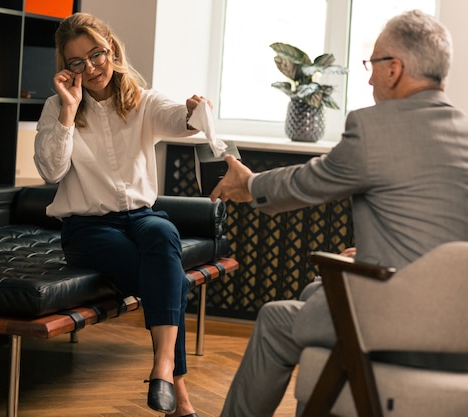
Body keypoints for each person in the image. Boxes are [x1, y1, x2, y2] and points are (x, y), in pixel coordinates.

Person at [209, 9, 468, 417]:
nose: (368, 78)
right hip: (460, 331)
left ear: (395, 69)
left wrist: (249, 183)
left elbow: (308, 182)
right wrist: (369, 257)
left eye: (373, 64)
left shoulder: (375, 128)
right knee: (319, 297)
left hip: (396, 325)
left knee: (278, 318)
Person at [34, 12, 208, 417]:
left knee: (163, 233)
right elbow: (51, 171)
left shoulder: (142, 101)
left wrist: (194, 109)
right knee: (173, 285)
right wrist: (67, 110)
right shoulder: (56, 108)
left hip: (141, 217)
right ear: (66, 68)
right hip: (87, 229)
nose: (90, 68)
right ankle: (179, 397)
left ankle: (162, 369)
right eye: (77, 62)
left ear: (110, 48)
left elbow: (181, 120)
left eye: (96, 54)